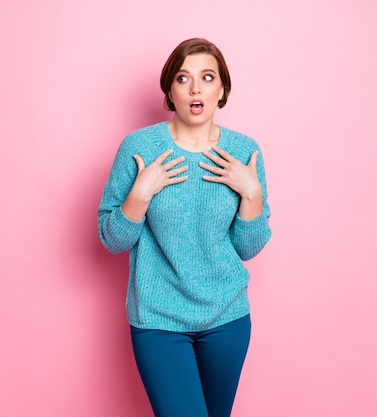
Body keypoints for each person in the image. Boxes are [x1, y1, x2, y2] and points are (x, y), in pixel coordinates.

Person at [97, 38, 272, 417]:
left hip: (228, 319)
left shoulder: (244, 151)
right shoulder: (139, 147)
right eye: (183, 78)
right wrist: (139, 196)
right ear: (170, 91)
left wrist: (252, 194)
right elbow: (112, 238)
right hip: (159, 321)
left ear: (221, 90)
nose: (195, 88)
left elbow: (247, 247)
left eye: (207, 77)